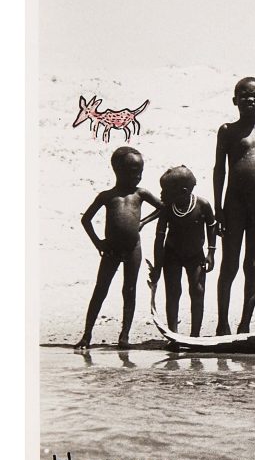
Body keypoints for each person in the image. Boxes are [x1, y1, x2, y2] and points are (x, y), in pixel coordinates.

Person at [76, 146, 162, 349]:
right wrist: (98, 243)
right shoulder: (107, 196)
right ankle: (87, 335)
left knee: (129, 290)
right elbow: (86, 220)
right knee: (101, 289)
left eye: (140, 171)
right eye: (133, 171)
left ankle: (124, 336)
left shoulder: (141, 193)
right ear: (118, 170)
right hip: (111, 250)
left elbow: (163, 207)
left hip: (133, 249)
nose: (138, 176)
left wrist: (143, 222)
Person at [213, 76, 255, 333]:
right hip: (235, 204)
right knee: (230, 263)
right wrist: (218, 207)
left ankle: (245, 323)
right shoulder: (228, 130)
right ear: (235, 100)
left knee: (254, 262)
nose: (250, 99)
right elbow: (219, 169)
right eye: (244, 95)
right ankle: (222, 322)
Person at [151, 165, 216, 337]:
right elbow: (159, 238)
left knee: (198, 290)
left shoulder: (202, 205)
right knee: (173, 292)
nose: (161, 194)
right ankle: (174, 334)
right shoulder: (167, 208)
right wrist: (158, 266)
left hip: (195, 255)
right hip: (172, 255)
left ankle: (195, 335)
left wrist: (211, 253)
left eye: (166, 190)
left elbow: (211, 226)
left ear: (184, 191)